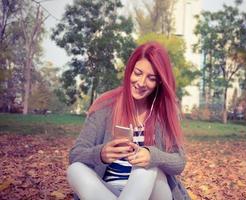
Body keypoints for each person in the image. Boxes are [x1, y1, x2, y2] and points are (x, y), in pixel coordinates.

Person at [67, 42, 191, 200]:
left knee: (146, 168)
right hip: (106, 191)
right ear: (130, 70)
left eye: (151, 78)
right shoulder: (105, 105)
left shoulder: (163, 111)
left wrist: (153, 155)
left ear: (159, 82)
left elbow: (179, 162)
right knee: (75, 170)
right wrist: (100, 154)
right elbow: (75, 155)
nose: (141, 82)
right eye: (138, 73)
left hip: (154, 193)